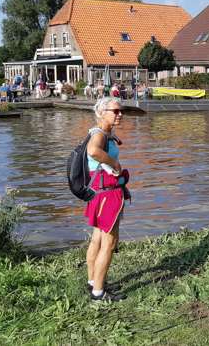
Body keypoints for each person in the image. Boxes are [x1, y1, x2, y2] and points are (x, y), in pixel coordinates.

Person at [84, 97, 130, 302]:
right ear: (102, 113)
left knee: (97, 238)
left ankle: (94, 281)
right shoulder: (99, 135)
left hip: (97, 191)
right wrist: (115, 164)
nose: (120, 114)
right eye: (115, 111)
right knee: (109, 243)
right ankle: (98, 293)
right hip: (107, 193)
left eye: (121, 111)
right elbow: (93, 151)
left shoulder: (102, 133)